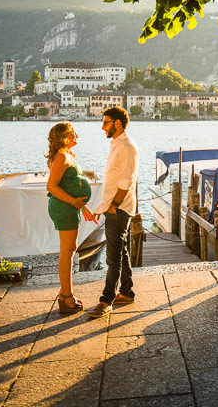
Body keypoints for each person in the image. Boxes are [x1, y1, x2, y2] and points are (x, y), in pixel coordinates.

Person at [87, 107, 139, 318]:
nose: (102, 126)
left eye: (106, 122)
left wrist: (114, 204)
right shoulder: (118, 144)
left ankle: (106, 300)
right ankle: (126, 291)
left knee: (113, 256)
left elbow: (127, 180)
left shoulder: (126, 146)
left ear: (117, 123)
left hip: (119, 208)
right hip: (115, 207)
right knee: (122, 250)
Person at [45, 122, 94, 314]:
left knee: (70, 249)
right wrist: (75, 203)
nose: (77, 136)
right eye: (73, 133)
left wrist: (84, 208)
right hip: (64, 207)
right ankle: (66, 296)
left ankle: (65, 292)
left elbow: (69, 184)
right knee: (68, 250)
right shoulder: (61, 156)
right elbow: (52, 187)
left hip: (69, 206)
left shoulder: (66, 155)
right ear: (64, 136)